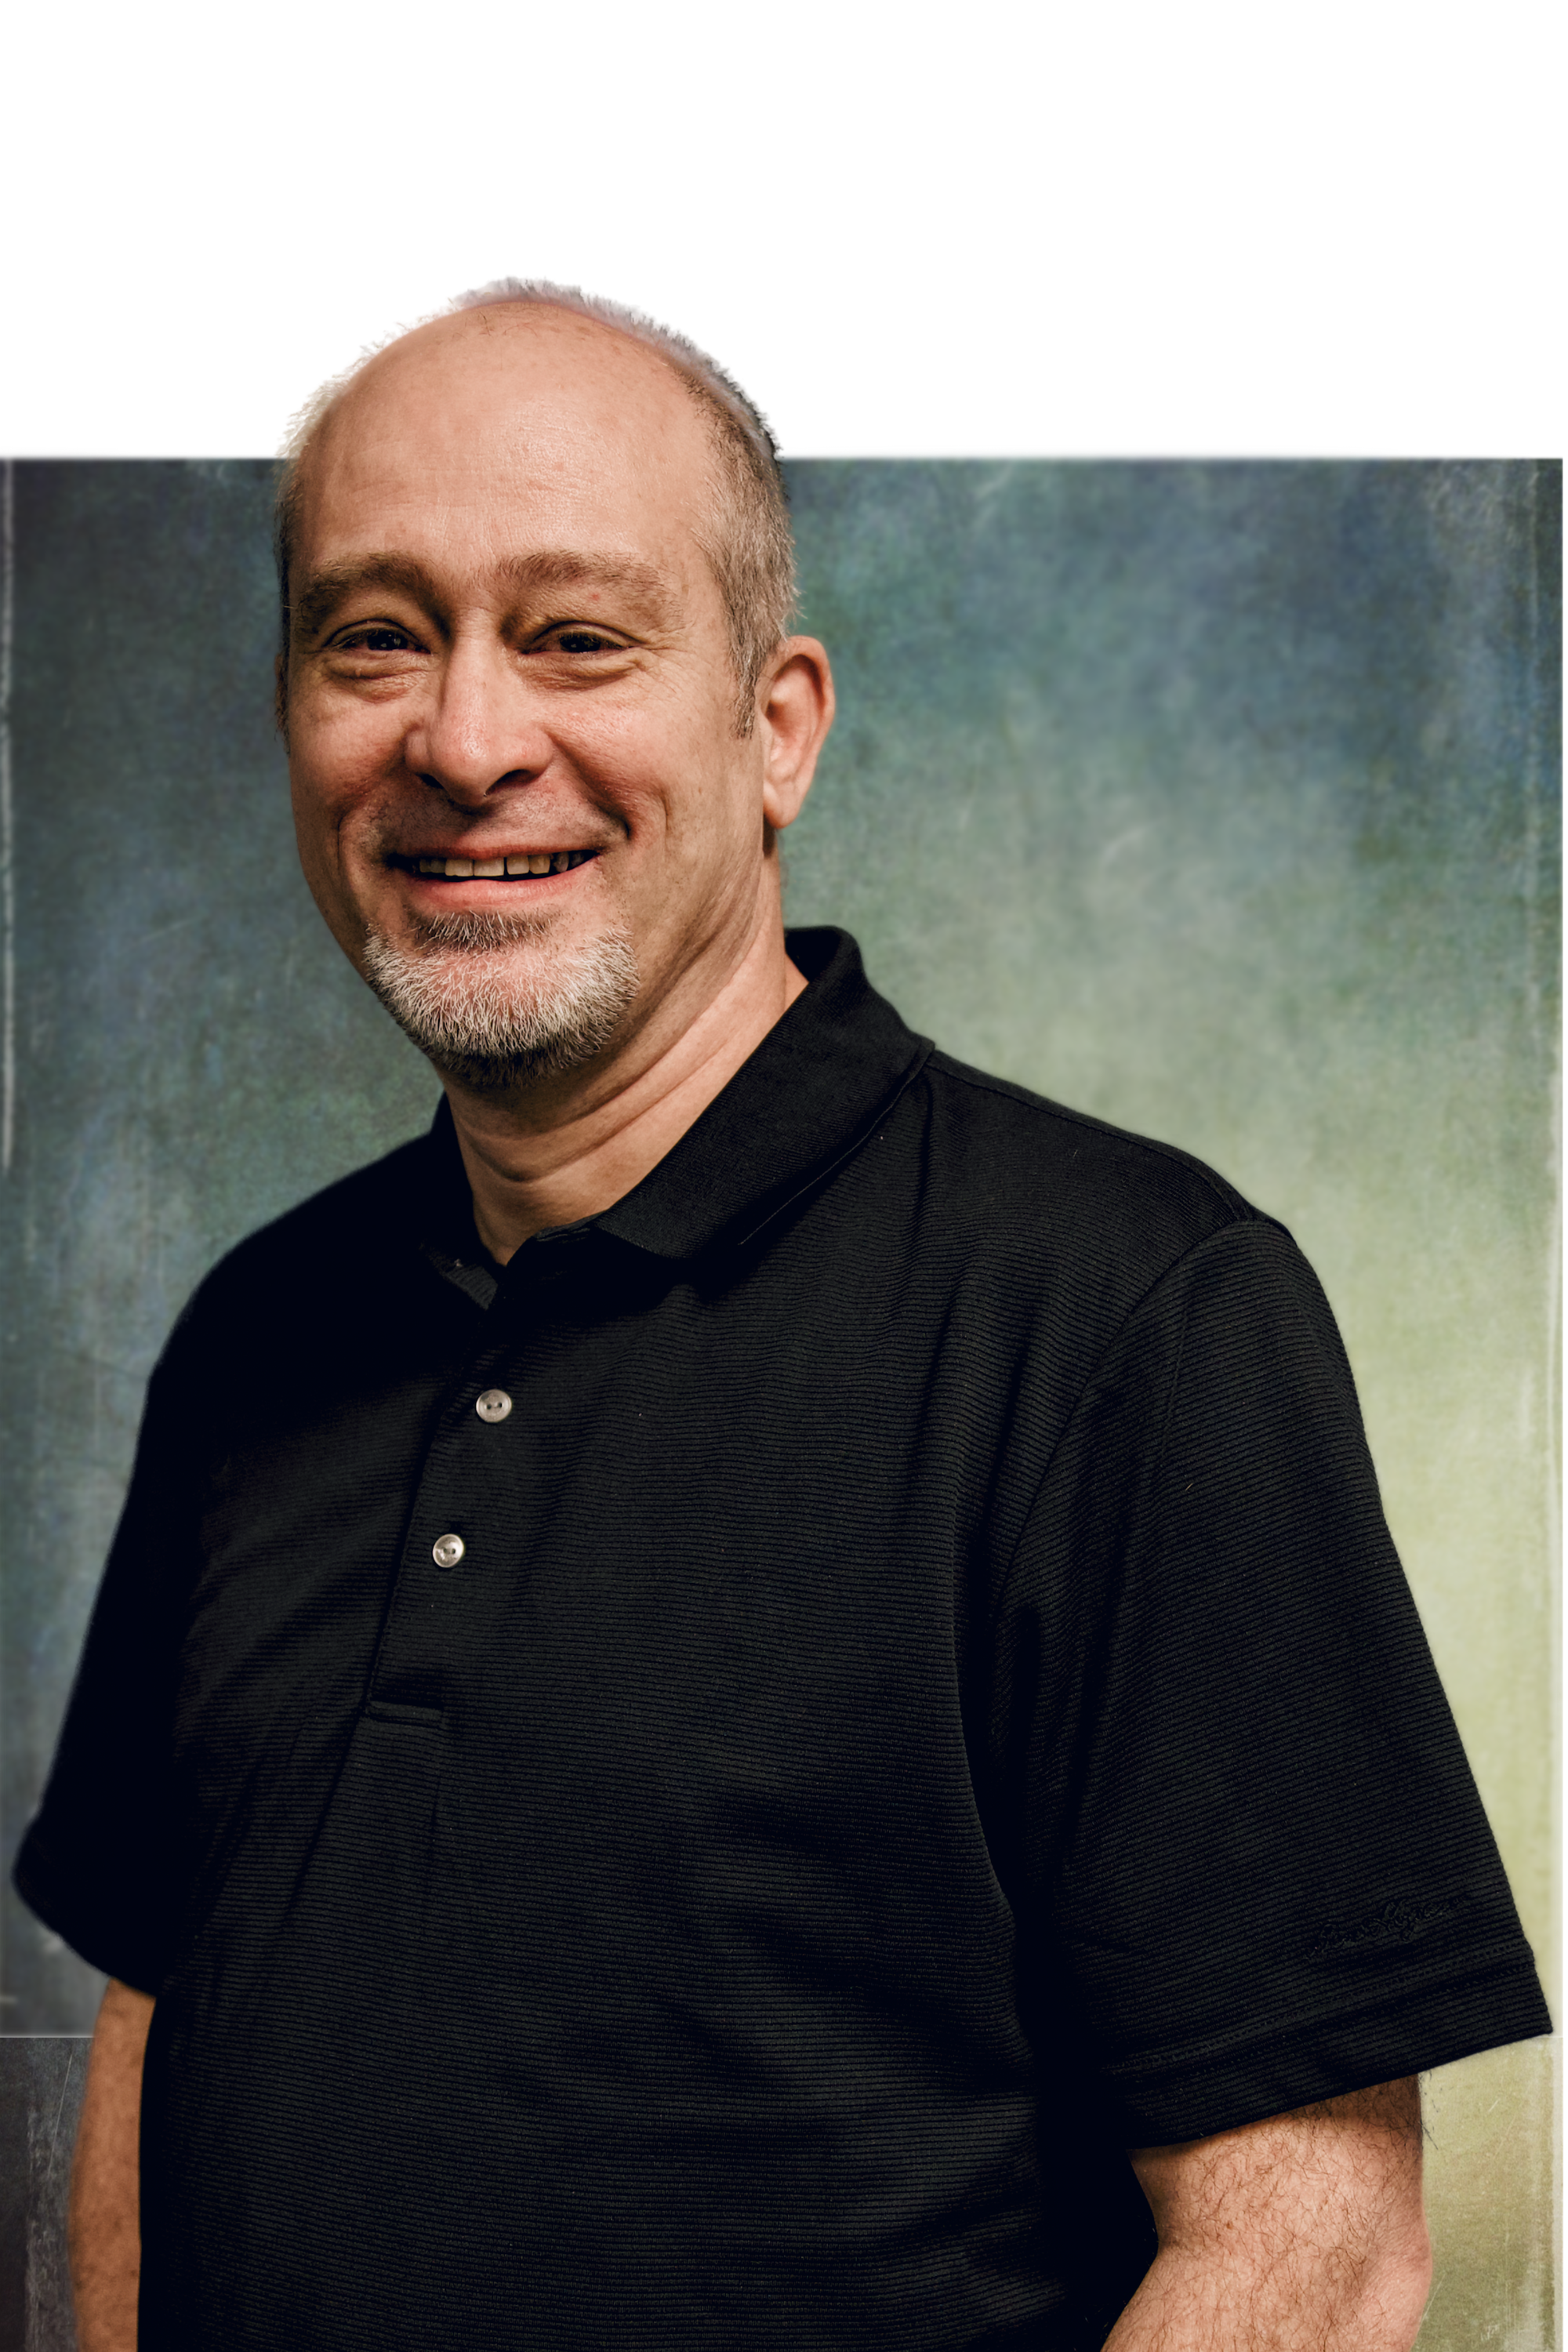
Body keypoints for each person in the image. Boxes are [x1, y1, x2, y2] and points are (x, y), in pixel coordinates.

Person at [13, 281, 1550, 2352]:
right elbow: (152, 2039)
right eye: (375, 633)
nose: (467, 740)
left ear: (777, 727)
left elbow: (1314, 2253)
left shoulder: (1124, 1315)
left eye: (578, 635)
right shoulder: (254, 1333)